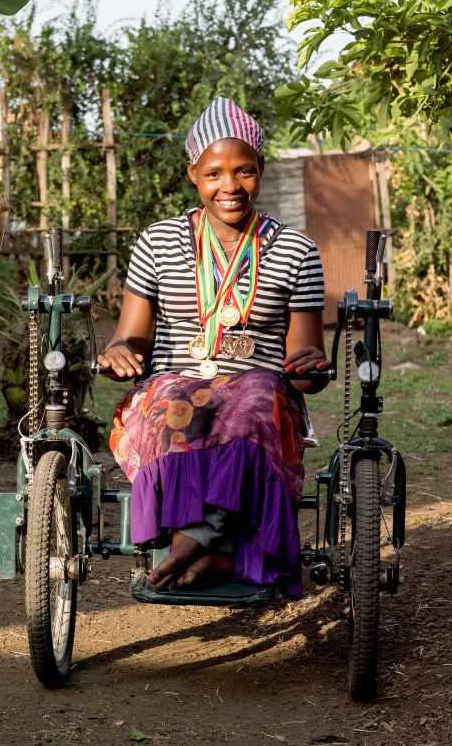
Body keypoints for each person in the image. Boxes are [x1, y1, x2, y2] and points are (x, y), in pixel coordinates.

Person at [96, 97, 328, 598]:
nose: (230, 187)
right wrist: (119, 353)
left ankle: (193, 541)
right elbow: (129, 335)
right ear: (192, 173)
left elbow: (305, 365)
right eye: (215, 173)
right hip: (175, 378)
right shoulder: (158, 242)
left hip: (260, 385)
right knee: (172, 405)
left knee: (252, 405)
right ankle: (220, 551)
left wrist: (312, 367)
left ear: (261, 169)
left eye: (243, 171)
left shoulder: (295, 250)